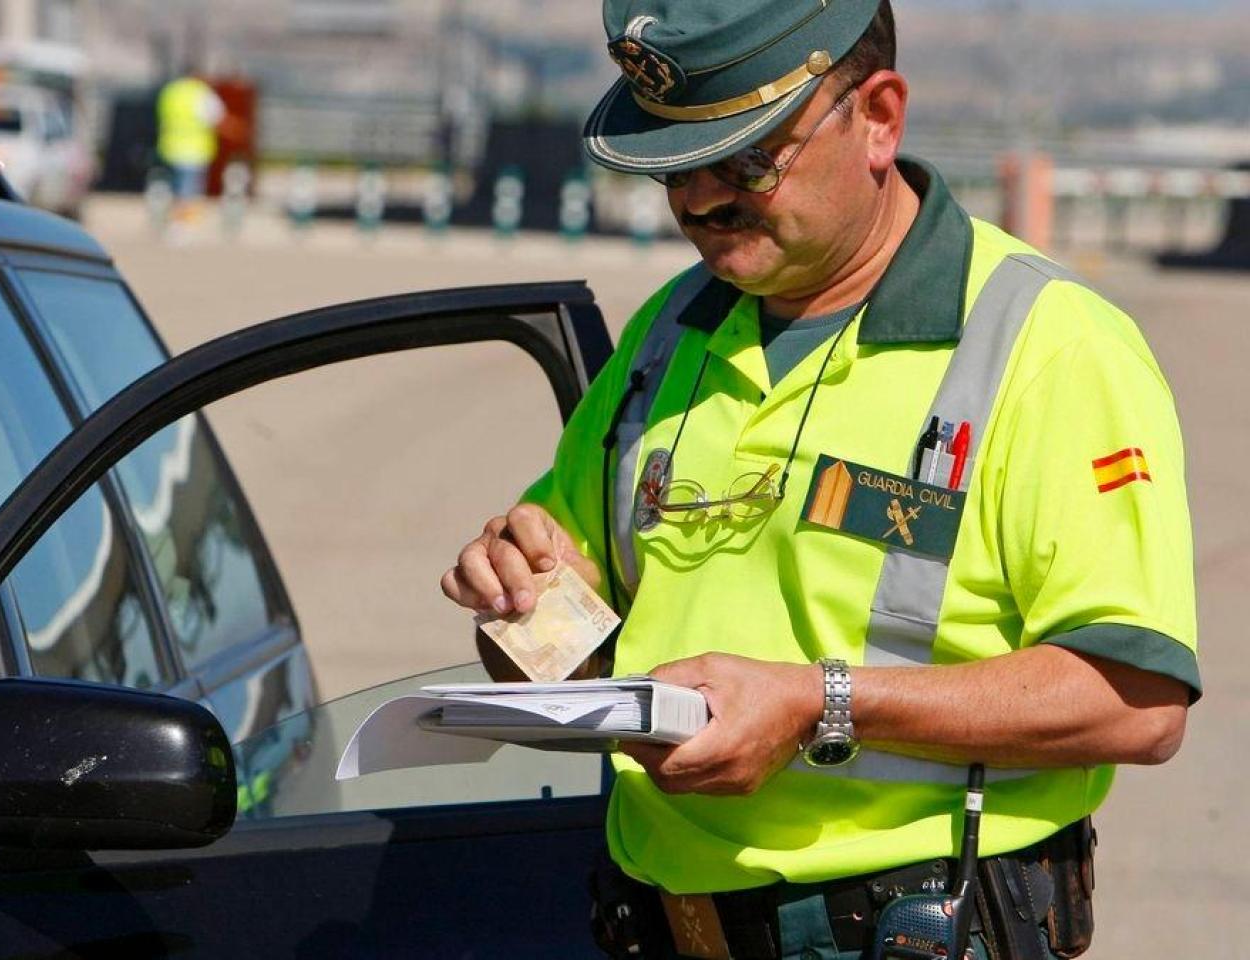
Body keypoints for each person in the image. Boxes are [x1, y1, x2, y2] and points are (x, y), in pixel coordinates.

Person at [441, 1, 1197, 957]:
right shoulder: (671, 333)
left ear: (878, 116)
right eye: (672, 165)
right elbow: (568, 643)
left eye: (748, 158)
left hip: (905, 931)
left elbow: (1137, 698)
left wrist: (818, 703)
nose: (700, 201)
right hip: (653, 923)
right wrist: (518, 601)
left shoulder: (1048, 346)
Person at [155, 70, 226, 224]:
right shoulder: (201, 94)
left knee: (174, 184)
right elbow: (216, 117)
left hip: (170, 146)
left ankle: (166, 215)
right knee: (189, 187)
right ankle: (183, 220)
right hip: (194, 148)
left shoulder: (171, 91)